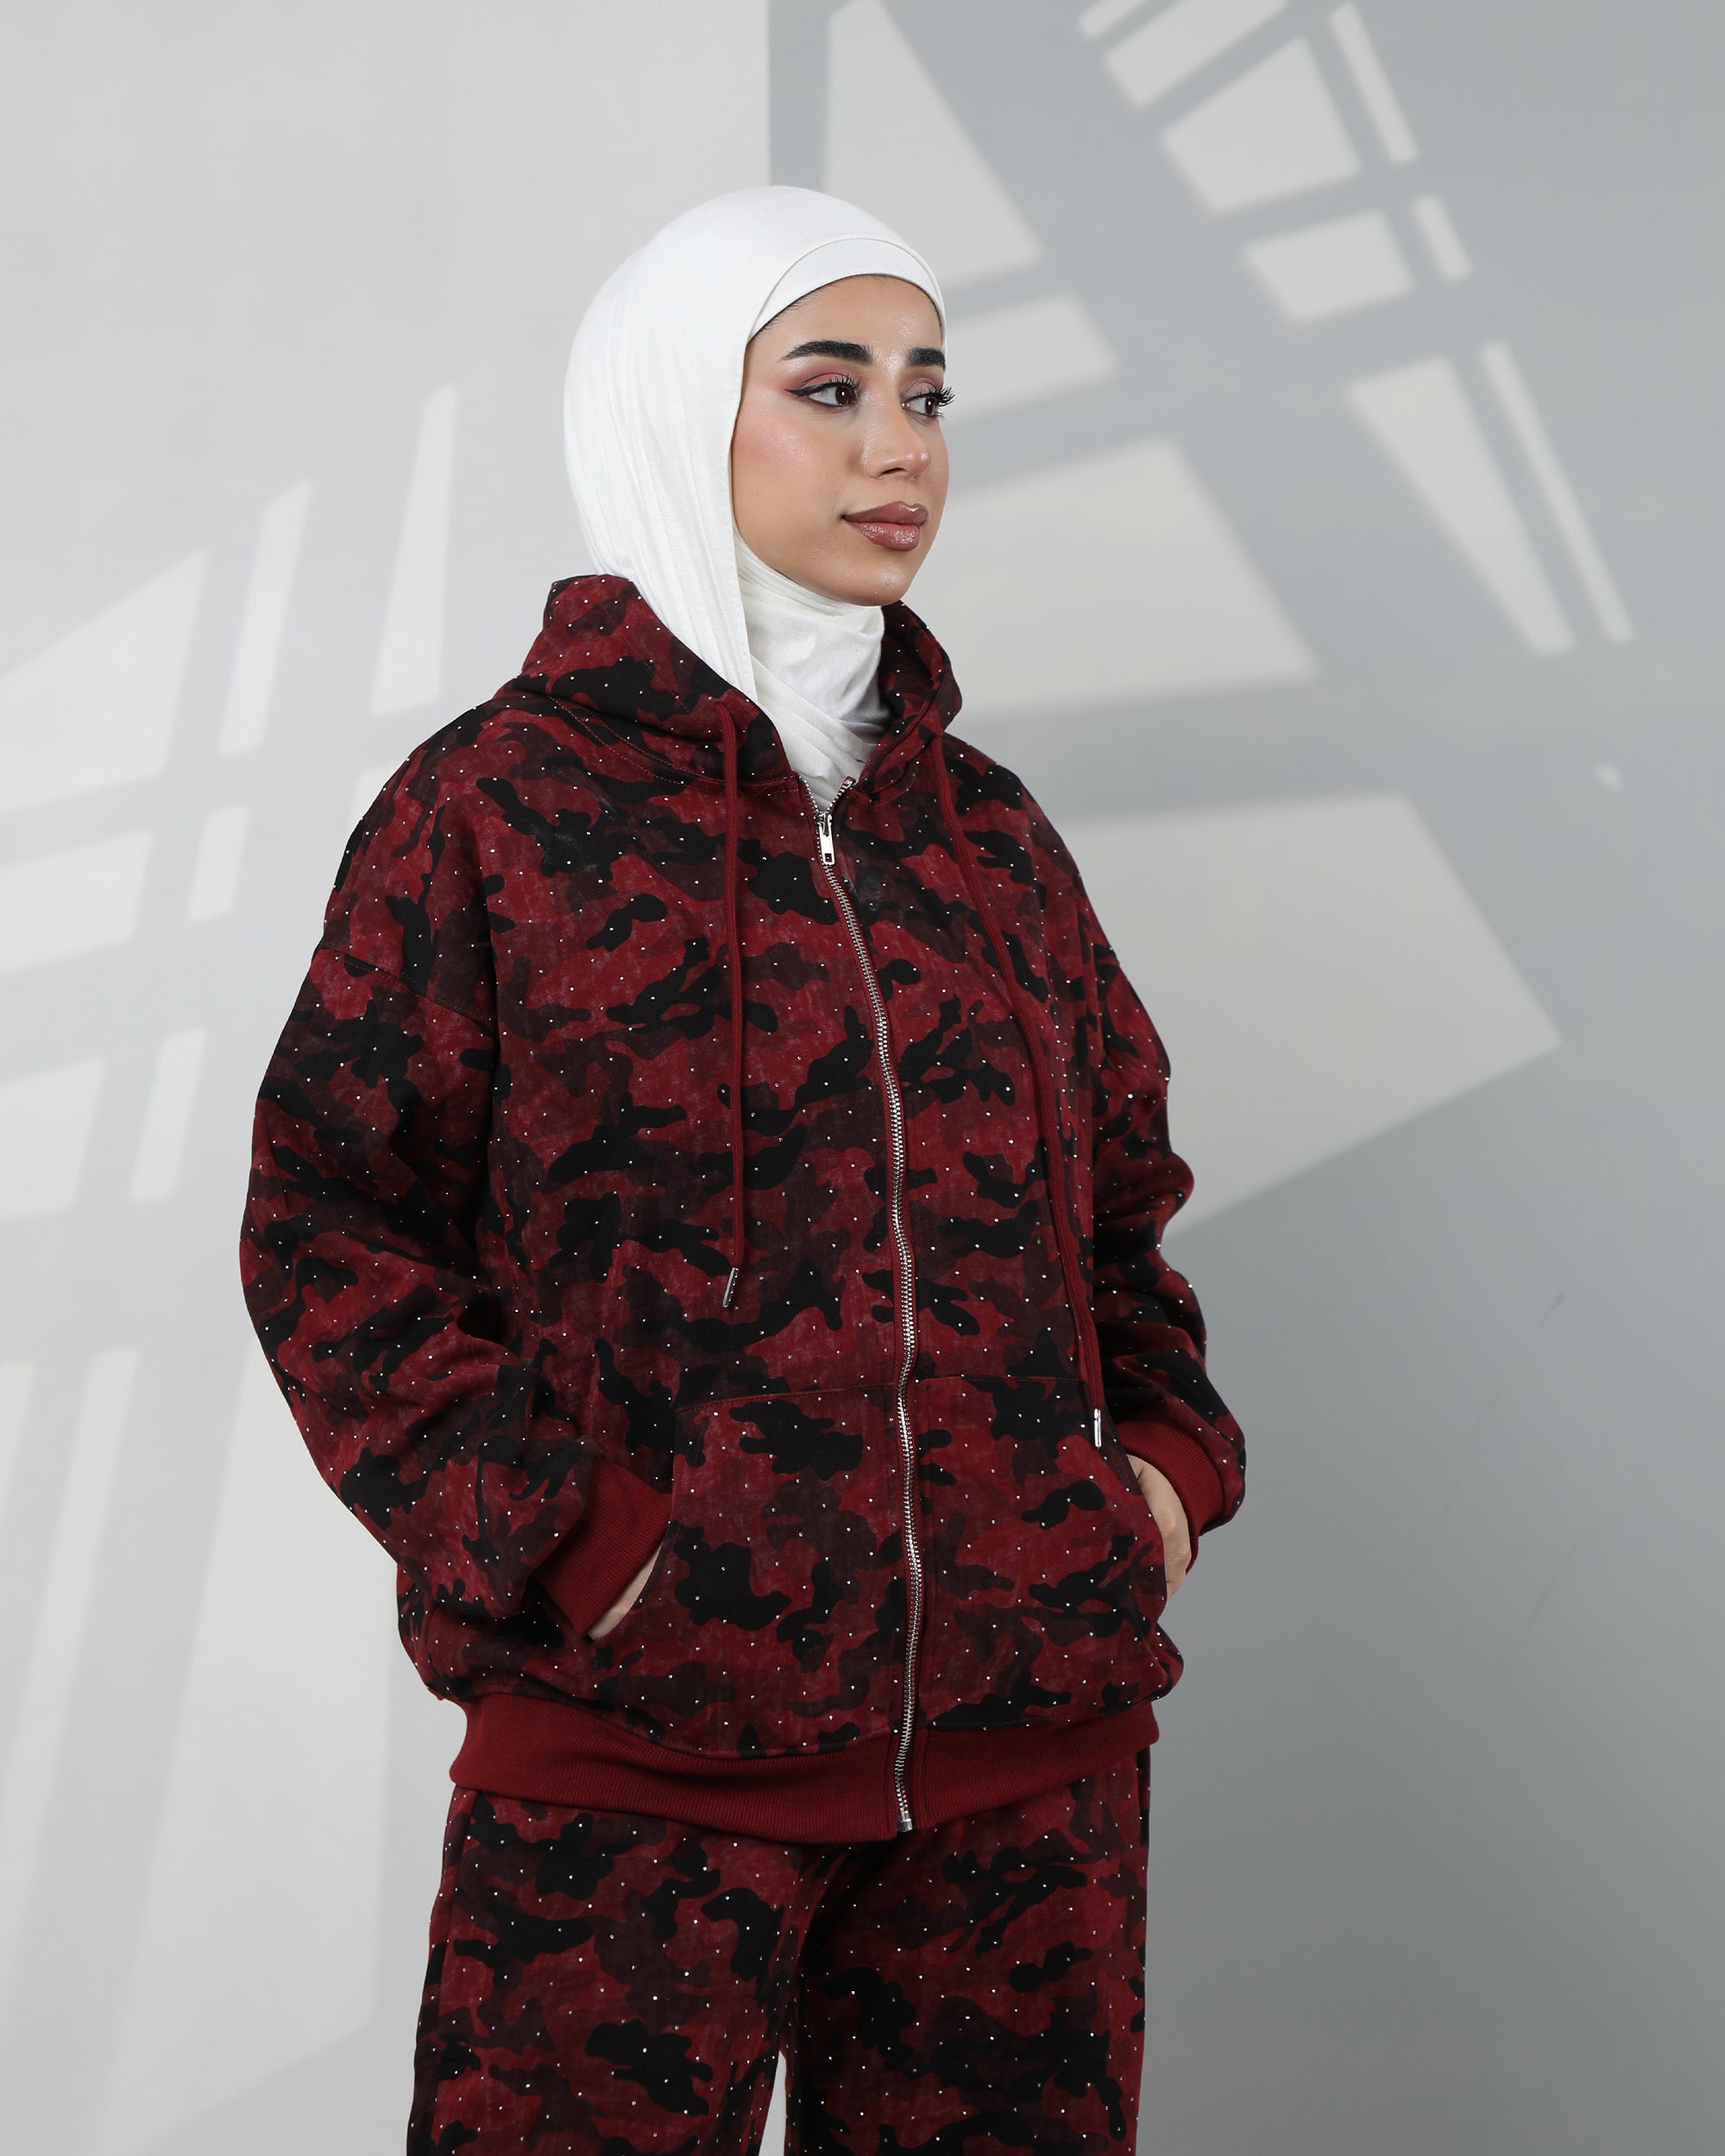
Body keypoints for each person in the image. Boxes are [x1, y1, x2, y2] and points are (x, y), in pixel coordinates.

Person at [239, 184, 1244, 2153]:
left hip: (1025, 1770)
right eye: (830, 388)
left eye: (929, 396)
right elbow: (327, 1228)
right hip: (635, 1761)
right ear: (675, 407)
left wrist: (1157, 1473)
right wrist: (575, 1545)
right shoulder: (494, 810)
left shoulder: (991, 836)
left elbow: (1121, 1203)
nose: (899, 449)